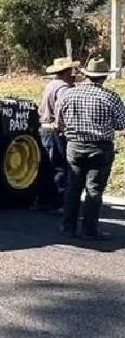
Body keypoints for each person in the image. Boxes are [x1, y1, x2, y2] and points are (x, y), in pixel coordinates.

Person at [57, 57, 125, 240]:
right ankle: (89, 230)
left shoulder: (69, 95)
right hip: (100, 147)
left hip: (74, 145)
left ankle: (68, 228)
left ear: (86, 75)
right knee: (94, 190)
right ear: (103, 77)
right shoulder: (111, 97)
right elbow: (120, 124)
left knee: (73, 188)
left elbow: (59, 120)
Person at [34, 57, 79, 211]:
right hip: (55, 129)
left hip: (44, 128)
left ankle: (42, 200)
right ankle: (58, 202)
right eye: (71, 70)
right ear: (66, 72)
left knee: (46, 165)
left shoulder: (50, 85)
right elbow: (63, 110)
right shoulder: (64, 89)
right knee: (60, 167)